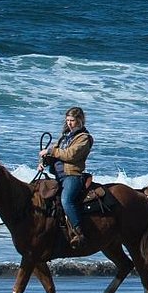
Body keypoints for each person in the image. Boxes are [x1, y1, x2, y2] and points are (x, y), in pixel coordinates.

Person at [40, 106, 94, 248]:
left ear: (80, 120)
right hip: (58, 176)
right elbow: (54, 153)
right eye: (68, 120)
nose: (69, 123)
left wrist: (51, 150)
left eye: (72, 120)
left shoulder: (84, 138)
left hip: (72, 176)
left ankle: (79, 232)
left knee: (66, 200)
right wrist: (44, 161)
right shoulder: (64, 137)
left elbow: (70, 155)